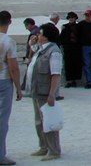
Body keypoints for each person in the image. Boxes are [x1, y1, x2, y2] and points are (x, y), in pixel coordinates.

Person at [25, 23, 62, 161]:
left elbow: (56, 74)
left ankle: (54, 149)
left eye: (40, 34)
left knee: (49, 121)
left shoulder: (54, 51)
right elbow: (33, 54)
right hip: (37, 89)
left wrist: (52, 93)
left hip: (45, 91)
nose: (38, 36)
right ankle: (44, 146)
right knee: (39, 121)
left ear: (46, 36)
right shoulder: (42, 49)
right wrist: (32, 43)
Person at [0, 11, 22, 166]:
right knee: (2, 120)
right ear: (9, 22)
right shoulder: (8, 41)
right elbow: (13, 68)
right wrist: (18, 88)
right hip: (3, 80)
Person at [60, 12, 82, 88]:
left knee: (76, 64)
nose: (71, 19)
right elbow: (61, 37)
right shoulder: (65, 27)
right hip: (68, 48)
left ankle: (74, 80)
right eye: (70, 18)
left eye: (72, 17)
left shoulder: (79, 26)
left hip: (76, 48)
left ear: (75, 18)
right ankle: (69, 80)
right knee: (68, 64)